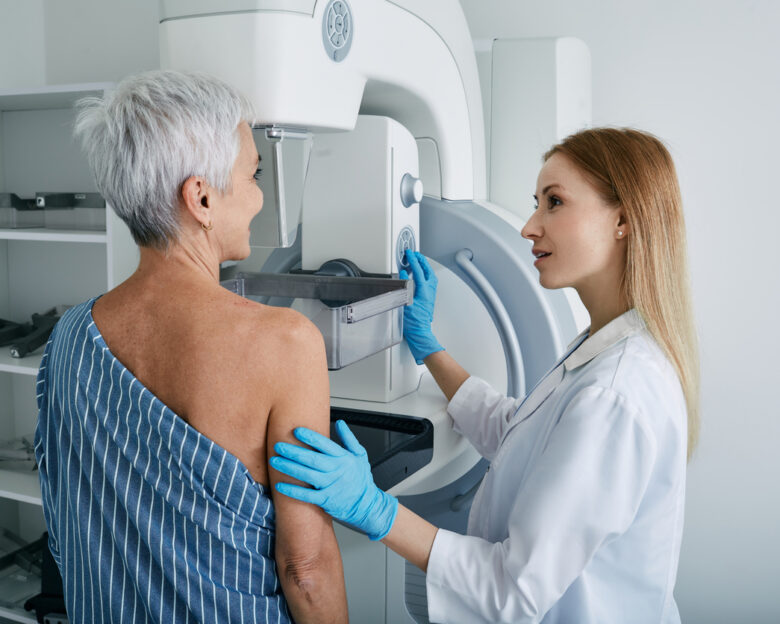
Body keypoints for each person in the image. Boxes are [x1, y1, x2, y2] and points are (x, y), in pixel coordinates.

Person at [270, 127, 699, 623]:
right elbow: (520, 435)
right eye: (536, 204)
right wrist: (428, 346)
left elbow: (511, 591)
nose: (530, 227)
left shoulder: (614, 392)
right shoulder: (608, 346)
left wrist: (374, 510)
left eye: (554, 202)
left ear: (622, 219)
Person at [34, 70, 347, 623]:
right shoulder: (285, 343)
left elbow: (62, 520)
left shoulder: (69, 337)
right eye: (253, 174)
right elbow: (306, 569)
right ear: (200, 197)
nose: (259, 197)